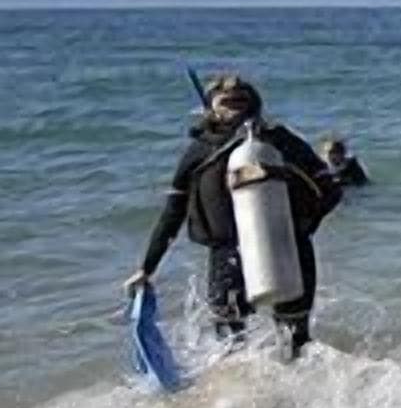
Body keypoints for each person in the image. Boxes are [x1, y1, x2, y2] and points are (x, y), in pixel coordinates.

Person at [124, 74, 339, 358]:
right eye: (227, 98)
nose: (234, 102)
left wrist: (302, 226)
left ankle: (294, 396)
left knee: (285, 340)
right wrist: (147, 267)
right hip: (238, 253)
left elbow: (331, 189)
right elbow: (172, 213)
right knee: (235, 342)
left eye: (240, 98)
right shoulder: (201, 150)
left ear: (253, 103)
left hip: (286, 246)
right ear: (210, 106)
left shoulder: (277, 141)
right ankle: (254, 396)